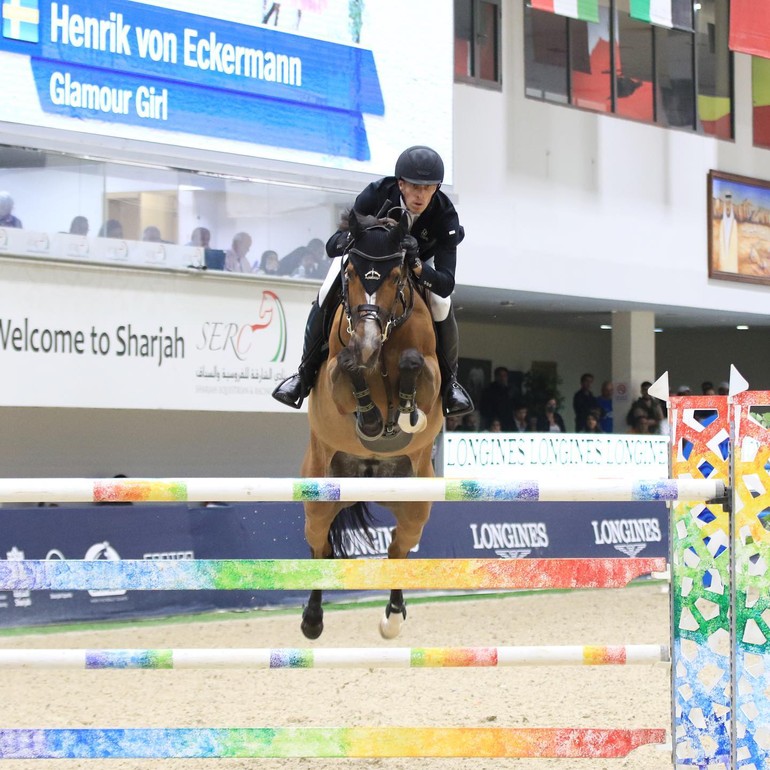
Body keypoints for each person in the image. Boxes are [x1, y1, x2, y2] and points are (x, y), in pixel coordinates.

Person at [272, 145, 473, 418]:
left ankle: (451, 384)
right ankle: (303, 376)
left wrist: (415, 264)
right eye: (414, 186)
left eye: (428, 188)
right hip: (370, 261)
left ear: (436, 188)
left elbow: (446, 282)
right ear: (400, 184)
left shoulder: (445, 215)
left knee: (440, 302)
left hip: (417, 266)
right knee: (327, 288)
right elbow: (334, 245)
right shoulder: (376, 194)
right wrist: (368, 233)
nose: (420, 195)